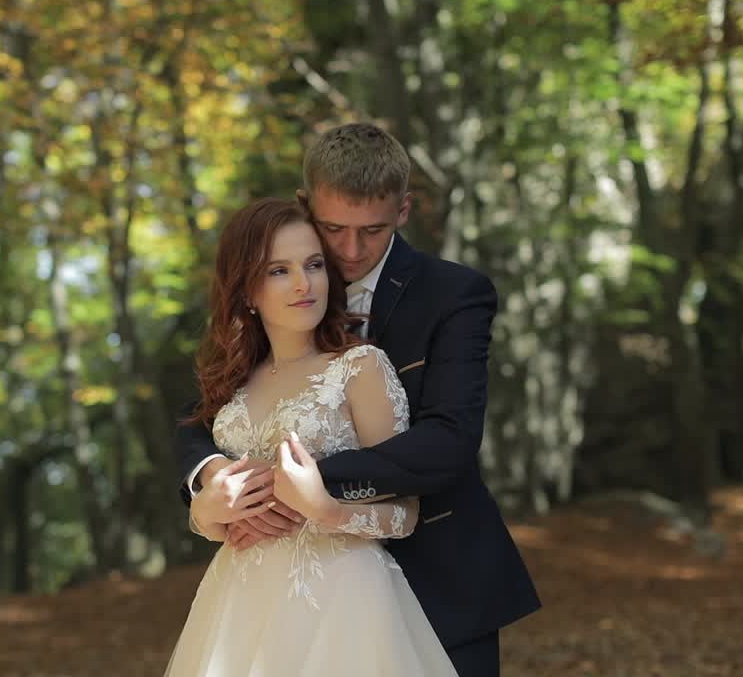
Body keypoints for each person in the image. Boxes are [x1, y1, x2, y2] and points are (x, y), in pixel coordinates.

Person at [175, 123, 540, 677]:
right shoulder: (270, 291)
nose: (349, 250)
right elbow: (201, 415)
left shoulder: (454, 295)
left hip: (439, 575)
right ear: (306, 205)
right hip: (274, 601)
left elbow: (449, 440)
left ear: (403, 211)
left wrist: (293, 487)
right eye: (332, 229)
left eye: (371, 230)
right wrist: (211, 484)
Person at [165, 198, 457, 675]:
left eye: (314, 264)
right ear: (246, 291)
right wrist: (205, 513)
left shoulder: (359, 368)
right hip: (238, 604)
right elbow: (214, 496)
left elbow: (405, 513)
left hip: (343, 601)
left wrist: (325, 508)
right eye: (279, 270)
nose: (304, 284)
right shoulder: (230, 384)